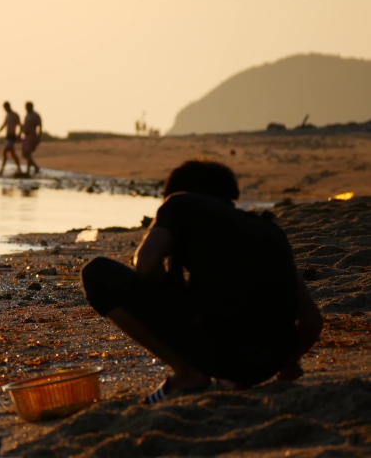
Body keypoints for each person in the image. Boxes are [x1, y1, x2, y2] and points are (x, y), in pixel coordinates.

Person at [80, 160, 322, 403]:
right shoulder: (270, 229)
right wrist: (287, 362)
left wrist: (170, 291)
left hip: (221, 355)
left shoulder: (181, 203)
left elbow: (145, 263)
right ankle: (227, 376)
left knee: (98, 273)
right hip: (265, 365)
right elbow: (312, 322)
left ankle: (187, 373)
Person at [0, 101, 22, 176]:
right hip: (8, 136)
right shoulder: (7, 115)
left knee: (5, 151)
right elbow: (4, 125)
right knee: (11, 153)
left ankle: (2, 169)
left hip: (12, 135)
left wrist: (19, 135)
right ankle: (18, 168)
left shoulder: (15, 115)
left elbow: (20, 125)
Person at [21, 101, 42, 175]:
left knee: (28, 153)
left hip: (32, 135)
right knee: (25, 154)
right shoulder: (27, 115)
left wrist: (39, 136)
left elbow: (40, 126)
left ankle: (29, 170)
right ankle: (35, 167)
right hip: (26, 136)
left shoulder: (35, 115)